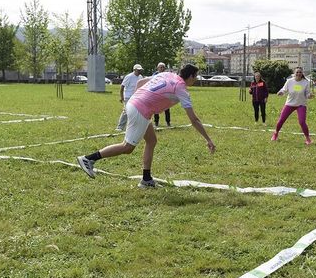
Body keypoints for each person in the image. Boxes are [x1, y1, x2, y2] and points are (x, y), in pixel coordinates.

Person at [77, 64, 215, 188]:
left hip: (136, 105)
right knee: (127, 147)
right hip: (140, 110)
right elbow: (194, 120)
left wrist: (137, 98)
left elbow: (142, 82)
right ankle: (88, 159)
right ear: (190, 76)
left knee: (151, 141)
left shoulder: (166, 74)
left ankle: (146, 179)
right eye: (195, 76)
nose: (196, 79)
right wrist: (208, 139)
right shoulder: (181, 89)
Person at [272, 67, 313, 144]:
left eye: (300, 72)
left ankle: (308, 139)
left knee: (302, 122)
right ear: (294, 73)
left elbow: (307, 93)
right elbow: (284, 89)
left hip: (301, 104)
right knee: (281, 120)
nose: (298, 74)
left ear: (302, 73)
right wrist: (281, 92)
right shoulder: (289, 81)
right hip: (290, 104)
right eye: (297, 72)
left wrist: (309, 95)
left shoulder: (306, 82)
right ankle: (275, 133)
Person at [115, 64, 144, 131]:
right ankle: (120, 127)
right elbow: (122, 87)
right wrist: (122, 97)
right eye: (138, 70)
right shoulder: (129, 76)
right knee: (126, 111)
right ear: (134, 70)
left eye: (140, 70)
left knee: (136, 112)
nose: (139, 71)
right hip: (128, 96)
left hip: (136, 97)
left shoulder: (140, 77)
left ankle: (134, 126)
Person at [152, 62, 171, 127]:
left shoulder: (167, 75)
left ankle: (168, 122)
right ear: (158, 68)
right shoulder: (154, 75)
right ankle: (156, 122)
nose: (162, 68)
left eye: (163, 67)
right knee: (156, 109)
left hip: (165, 93)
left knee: (167, 109)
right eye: (161, 67)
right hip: (157, 94)